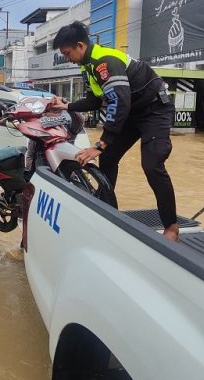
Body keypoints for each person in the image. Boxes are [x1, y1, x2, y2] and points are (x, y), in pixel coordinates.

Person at [49, 21, 179, 242]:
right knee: (108, 158)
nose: (67, 58)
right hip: (132, 112)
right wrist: (67, 106)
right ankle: (107, 211)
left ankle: (172, 227)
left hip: (154, 110)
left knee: (152, 164)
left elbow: (119, 102)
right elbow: (95, 99)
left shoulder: (105, 62)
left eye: (67, 53)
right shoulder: (87, 66)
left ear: (80, 45)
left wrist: (100, 144)